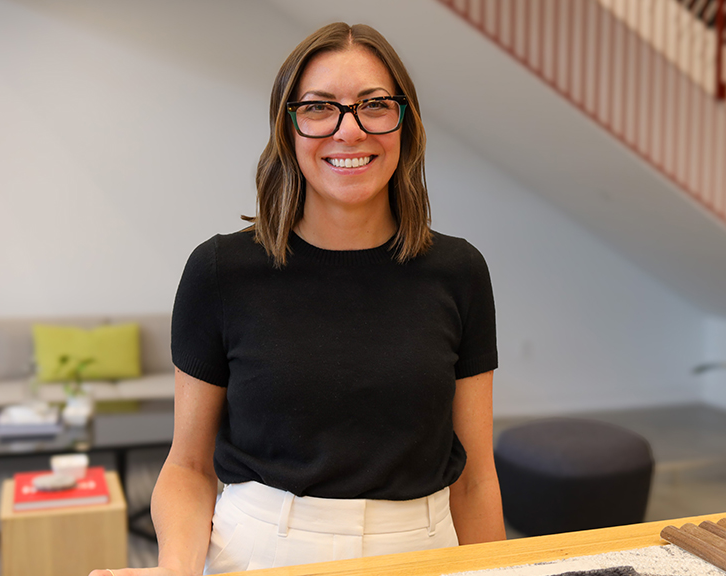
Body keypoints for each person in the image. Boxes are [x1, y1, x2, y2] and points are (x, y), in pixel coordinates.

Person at [94, 21, 504, 576]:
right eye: (318, 108)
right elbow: (189, 466)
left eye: (374, 105)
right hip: (261, 552)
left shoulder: (459, 271)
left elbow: (476, 477)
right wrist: (176, 569)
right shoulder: (220, 271)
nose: (349, 130)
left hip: (427, 549)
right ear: (287, 130)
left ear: (406, 123)